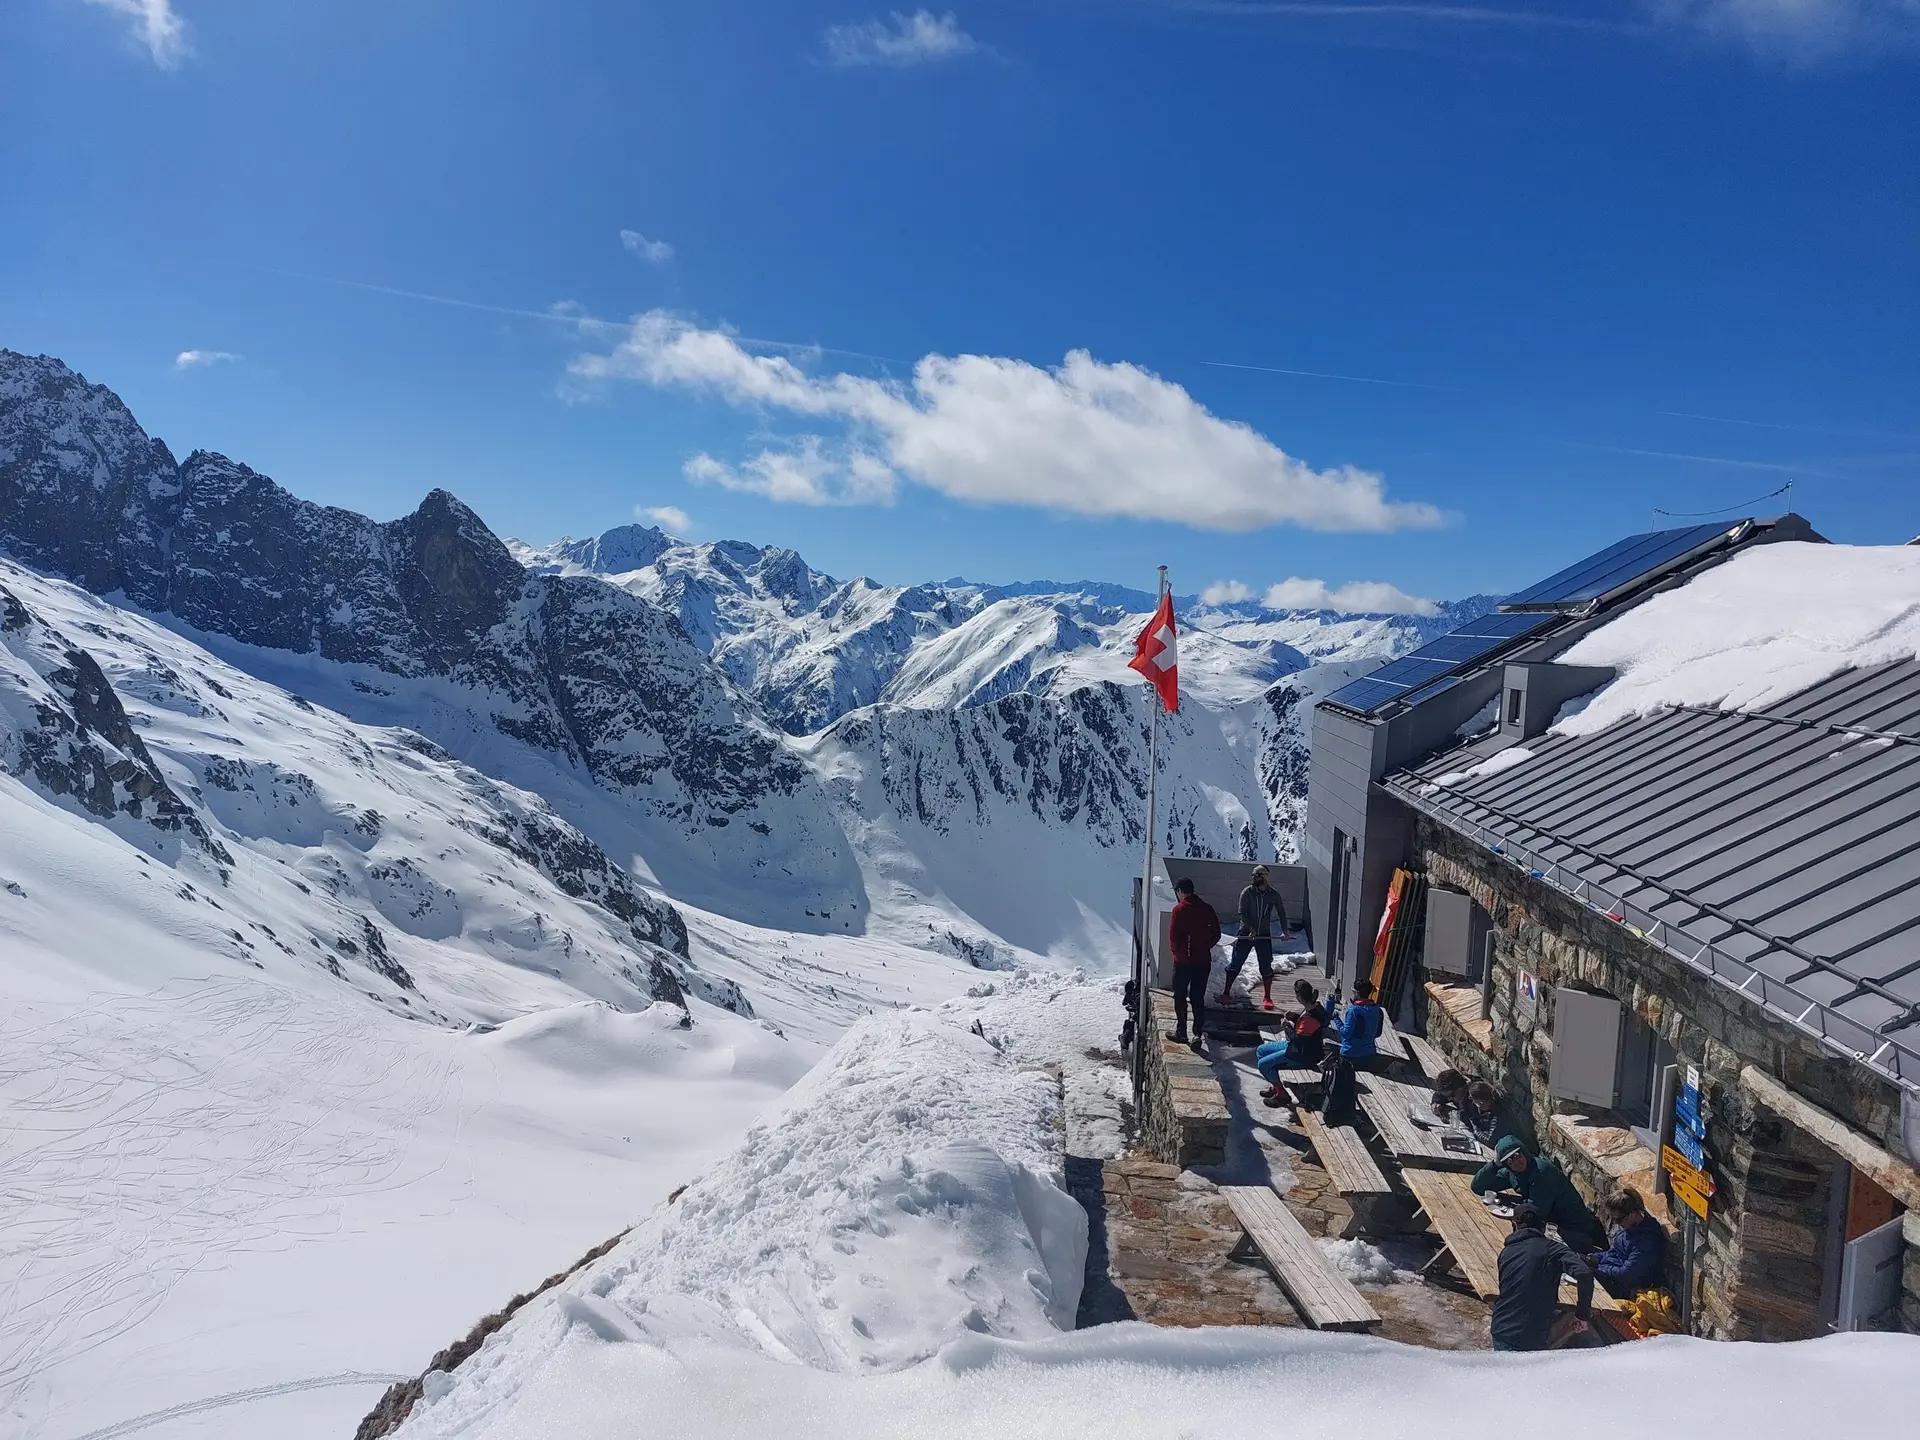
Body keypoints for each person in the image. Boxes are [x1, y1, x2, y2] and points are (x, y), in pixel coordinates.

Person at [1472, 1135, 1608, 1252]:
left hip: (1574, 1230)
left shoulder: (1542, 1172)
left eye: (1517, 1155)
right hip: (1552, 1224)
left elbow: (1536, 1213)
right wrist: (1494, 1165)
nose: (1517, 1161)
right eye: (1509, 1160)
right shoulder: (1512, 1172)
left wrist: (1513, 1211)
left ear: (1524, 1152)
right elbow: (1478, 1186)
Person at [1491, 1204, 1594, 1352]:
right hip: (1529, 1335)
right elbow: (1584, 1273)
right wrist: (1582, 1314)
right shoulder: (1554, 1249)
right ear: (1543, 1227)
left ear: (1514, 1225)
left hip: (1500, 1328)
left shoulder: (1506, 1252)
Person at [1219, 864, 1291, 1009]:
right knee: (1236, 963)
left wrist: (1285, 931)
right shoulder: (1247, 892)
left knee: (1265, 965)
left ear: (1264, 877)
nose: (1254, 878)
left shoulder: (1273, 895)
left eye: (1257, 876)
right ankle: (1225, 993)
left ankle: (1267, 997)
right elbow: (1241, 913)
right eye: (1253, 876)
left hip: (1264, 934)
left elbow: (1281, 912)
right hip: (1246, 933)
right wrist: (1251, 929)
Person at [1166, 877, 1221, 1050]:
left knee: (1180, 996)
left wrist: (1177, 952)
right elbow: (1217, 933)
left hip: (1183, 962)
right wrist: (1205, 945)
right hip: (1203, 961)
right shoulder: (1207, 908)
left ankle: (1181, 1032)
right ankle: (1197, 1034)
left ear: (1181, 891)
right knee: (1198, 998)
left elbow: (1173, 938)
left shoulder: (1179, 910)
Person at [1255, 979, 1328, 1103]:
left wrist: (1286, 1027)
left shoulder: (1309, 1018)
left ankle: (1282, 1095)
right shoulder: (1315, 1007)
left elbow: (1297, 1040)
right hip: (1300, 1046)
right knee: (1261, 1050)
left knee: (1263, 1064)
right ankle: (1275, 1086)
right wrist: (1294, 1017)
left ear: (1299, 996)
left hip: (1302, 1054)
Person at [1588, 1186, 1668, 1298]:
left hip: (1630, 1290)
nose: (1614, 1223)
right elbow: (1614, 1253)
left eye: (1617, 1219)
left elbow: (1626, 1274)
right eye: (1611, 1218)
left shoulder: (1646, 1241)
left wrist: (1599, 1268)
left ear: (1632, 1214)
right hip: (1615, 1277)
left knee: (1584, 1275)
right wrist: (1597, 1258)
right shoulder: (1629, 1229)